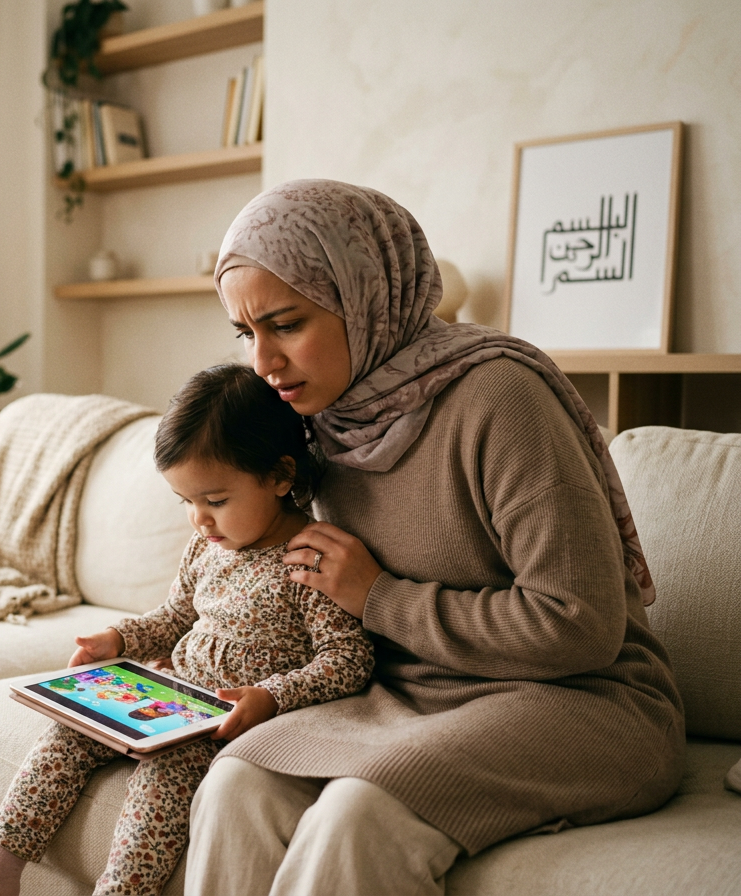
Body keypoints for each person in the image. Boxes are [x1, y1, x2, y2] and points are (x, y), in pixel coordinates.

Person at [183, 180, 686, 896]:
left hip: (584, 699)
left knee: (359, 814)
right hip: (409, 695)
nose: (263, 362)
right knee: (238, 780)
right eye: (246, 333)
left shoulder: (500, 398)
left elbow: (581, 625)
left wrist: (381, 598)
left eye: (286, 324)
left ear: (366, 296)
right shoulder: (321, 421)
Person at [0, 363, 374, 896]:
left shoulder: (311, 558)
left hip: (225, 725)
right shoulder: (207, 547)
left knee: (162, 779)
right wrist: (119, 639)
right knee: (68, 733)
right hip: (172, 696)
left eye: (215, 501)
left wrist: (271, 696)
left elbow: (347, 658)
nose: (199, 520)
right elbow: (173, 617)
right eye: (186, 502)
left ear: (281, 477)